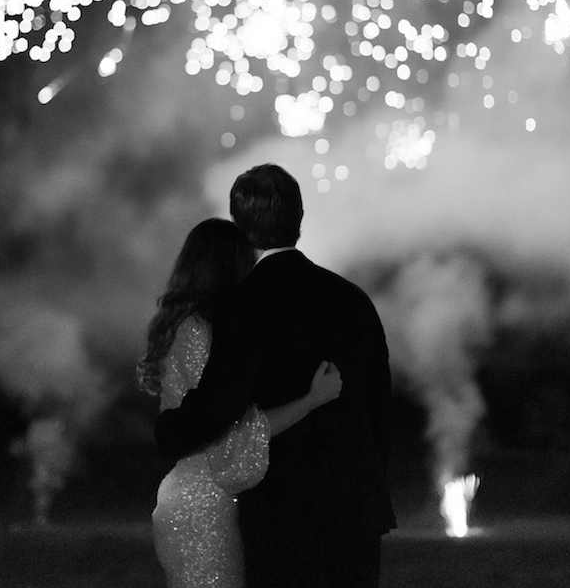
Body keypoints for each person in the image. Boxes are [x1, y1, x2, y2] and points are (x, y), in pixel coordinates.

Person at [154, 165, 396, 588]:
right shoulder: (352, 299)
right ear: (299, 218)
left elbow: (220, 404)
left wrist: (169, 430)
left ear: (239, 223)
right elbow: (378, 406)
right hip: (355, 503)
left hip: (282, 509)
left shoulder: (242, 305)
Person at [138, 217, 343, 588]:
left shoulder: (188, 326)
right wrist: (312, 400)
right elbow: (228, 433)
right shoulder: (199, 331)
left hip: (191, 499)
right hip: (204, 505)